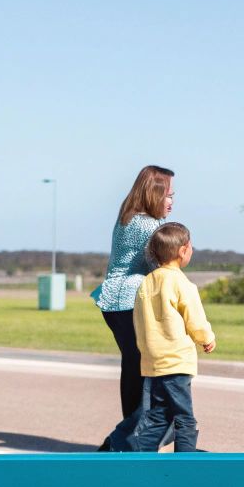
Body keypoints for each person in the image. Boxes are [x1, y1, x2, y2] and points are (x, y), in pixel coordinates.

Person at [92, 165, 175, 444]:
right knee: (143, 372)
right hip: (128, 301)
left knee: (133, 368)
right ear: (154, 194)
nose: (171, 202)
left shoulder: (128, 217)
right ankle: (127, 439)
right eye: (168, 195)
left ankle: (129, 436)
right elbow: (161, 268)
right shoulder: (149, 225)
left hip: (112, 301)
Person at [123, 222, 215, 453]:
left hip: (153, 361)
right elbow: (195, 318)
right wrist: (206, 338)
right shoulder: (182, 283)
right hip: (176, 361)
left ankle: (139, 455)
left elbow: (139, 320)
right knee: (185, 418)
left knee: (160, 415)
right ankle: (185, 466)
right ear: (183, 251)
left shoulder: (147, 281)